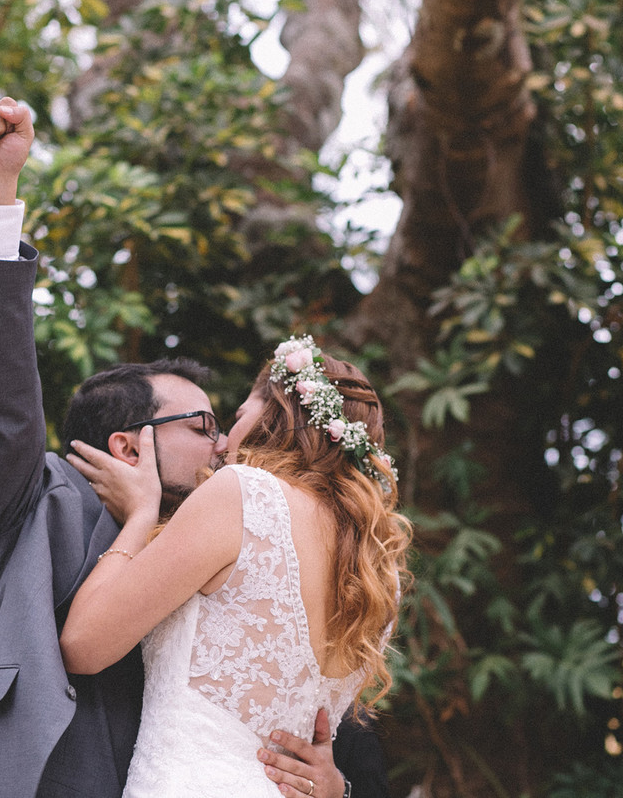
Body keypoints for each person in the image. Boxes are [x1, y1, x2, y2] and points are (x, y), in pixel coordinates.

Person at [0, 96, 384, 798]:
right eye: (199, 425)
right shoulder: (44, 499)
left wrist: (339, 786)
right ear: (126, 443)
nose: (224, 443)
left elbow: (323, 720)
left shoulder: (257, 539)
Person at [60, 334, 412, 797]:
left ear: (275, 419)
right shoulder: (376, 565)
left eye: (238, 417)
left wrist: (141, 514)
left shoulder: (245, 495)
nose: (224, 441)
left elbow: (82, 646)